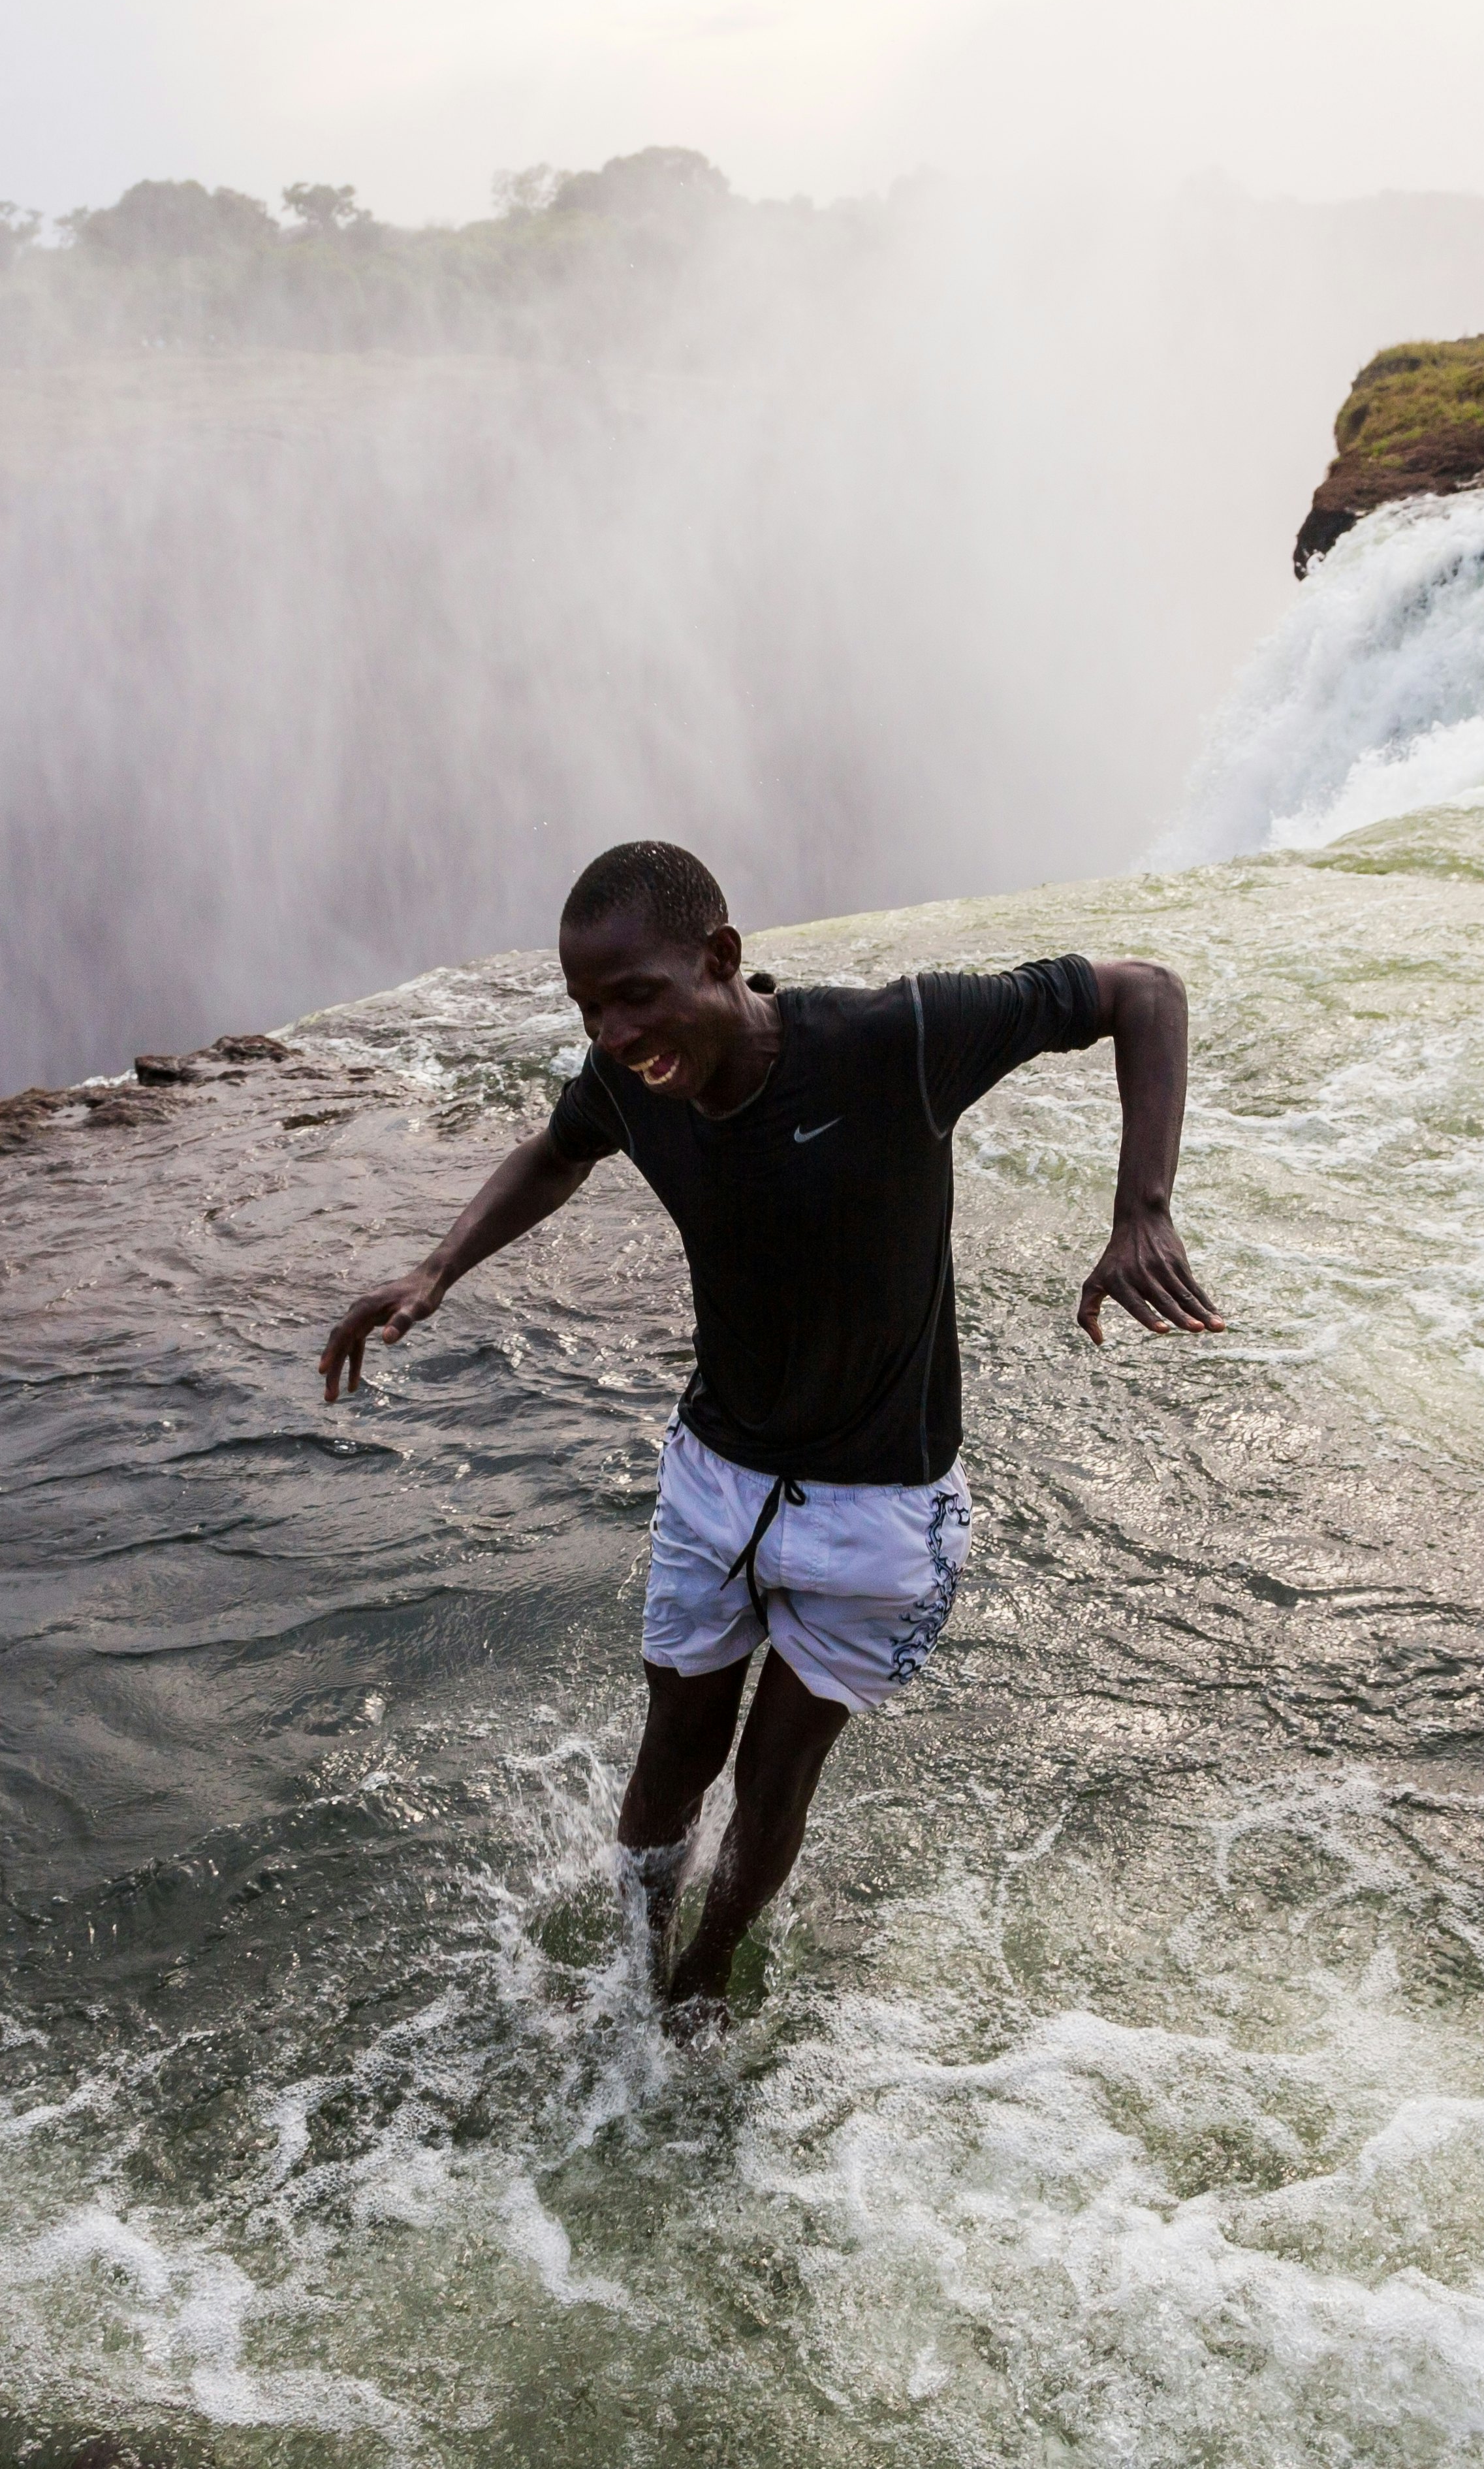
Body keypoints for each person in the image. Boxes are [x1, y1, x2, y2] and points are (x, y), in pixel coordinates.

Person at [318, 841, 1222, 2014]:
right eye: (588, 1008)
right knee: (669, 1769)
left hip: (882, 1511)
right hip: (717, 1487)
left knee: (773, 1780)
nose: (612, 1034)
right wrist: (435, 1271)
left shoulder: (894, 1038)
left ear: (723, 960)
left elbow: (1143, 993)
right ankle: (635, 1973)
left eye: (635, 996)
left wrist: (1142, 1209)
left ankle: (704, 1981)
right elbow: (555, 1151)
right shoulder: (632, 1089)